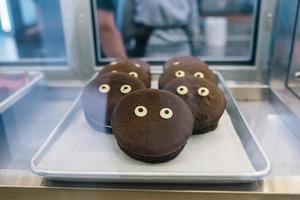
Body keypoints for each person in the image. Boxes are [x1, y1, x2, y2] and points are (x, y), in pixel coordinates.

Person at [97, 0, 201, 58]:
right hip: (182, 48)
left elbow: (128, 23)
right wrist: (194, 48)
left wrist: (126, 41)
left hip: (150, 48)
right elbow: (193, 25)